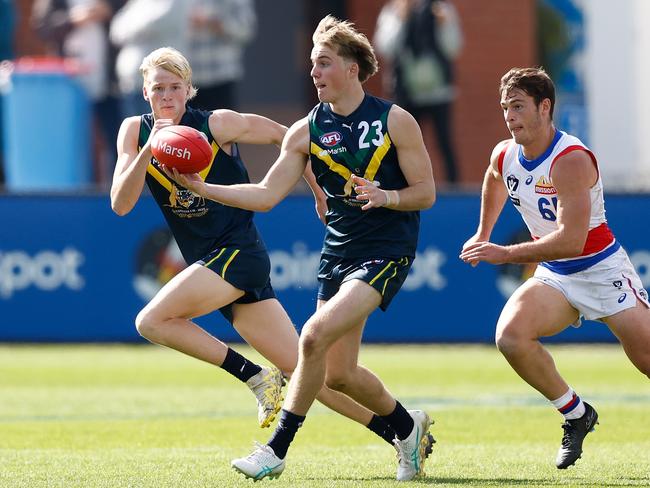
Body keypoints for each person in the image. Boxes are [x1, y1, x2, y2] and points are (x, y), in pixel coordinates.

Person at [110, 46, 426, 455]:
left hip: (238, 253)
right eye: (158, 89)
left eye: (175, 87)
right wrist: (150, 149)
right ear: (144, 92)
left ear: (190, 90)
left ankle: (254, 376)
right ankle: (403, 434)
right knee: (308, 373)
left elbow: (289, 137)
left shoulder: (216, 123)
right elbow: (120, 203)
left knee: (150, 320)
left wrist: (316, 189)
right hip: (207, 261)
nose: (167, 96)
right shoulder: (134, 132)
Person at [460, 67, 650, 469]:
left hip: (601, 268)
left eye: (518, 106)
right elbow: (495, 177)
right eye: (504, 107)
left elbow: (573, 241)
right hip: (558, 275)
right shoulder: (505, 153)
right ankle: (577, 414)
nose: (509, 116)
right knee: (511, 337)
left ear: (544, 107)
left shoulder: (571, 159)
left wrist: (505, 252)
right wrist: (482, 231)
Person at [374, 0, 462, 184]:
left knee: (444, 142)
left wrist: (443, 25)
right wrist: (401, 20)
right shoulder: (393, 12)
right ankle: (401, 184)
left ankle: (454, 188)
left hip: (438, 91)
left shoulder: (442, 9)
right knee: (401, 143)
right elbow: (385, 48)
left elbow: (453, 47)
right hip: (406, 93)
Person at [186, 0, 256, 111]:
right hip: (186, 79)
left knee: (224, 127)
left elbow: (245, 30)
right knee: (183, 127)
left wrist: (215, 23)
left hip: (221, 77)